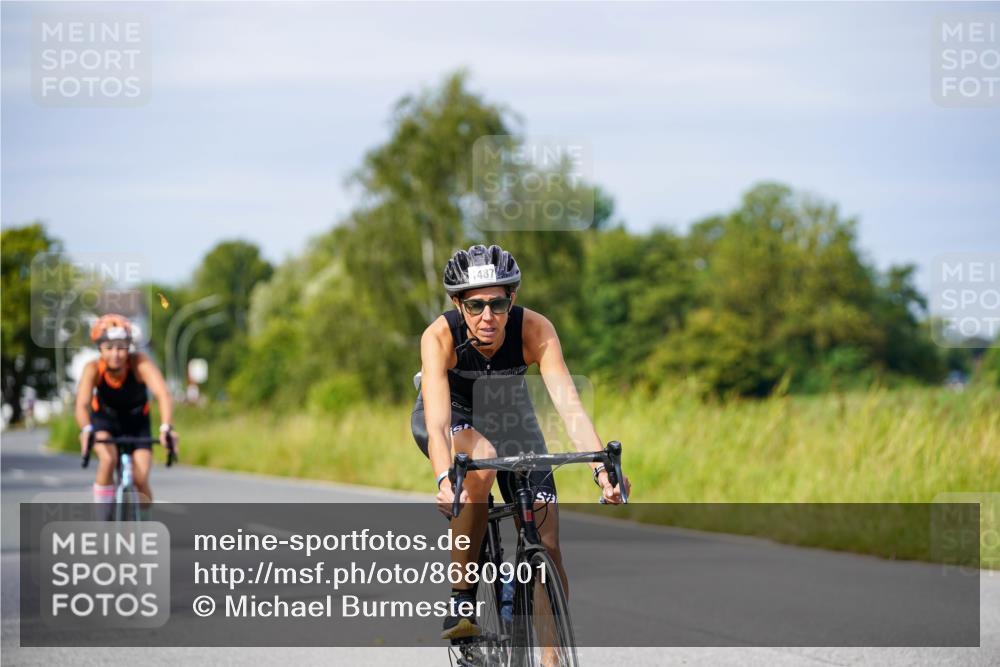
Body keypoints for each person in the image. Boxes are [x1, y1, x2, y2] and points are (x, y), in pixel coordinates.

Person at [411, 244, 631, 641]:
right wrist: (445, 479)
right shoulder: (439, 336)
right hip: (456, 415)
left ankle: (550, 653)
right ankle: (462, 600)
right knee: (482, 463)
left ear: (512, 299)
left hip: (511, 415)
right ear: (458, 304)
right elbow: (439, 423)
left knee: (547, 538)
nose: (488, 316)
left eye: (497, 303)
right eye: (475, 305)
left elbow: (570, 408)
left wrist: (602, 471)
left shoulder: (535, 329)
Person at [75, 314, 178, 520]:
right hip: (105, 421)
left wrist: (166, 426)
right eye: (109, 347)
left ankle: (145, 524)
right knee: (108, 459)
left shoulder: (140, 364)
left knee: (140, 478)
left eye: (122, 347)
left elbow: (163, 394)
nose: (116, 354)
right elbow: (81, 405)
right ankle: (103, 522)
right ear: (100, 348)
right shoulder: (93, 369)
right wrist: (86, 429)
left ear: (129, 347)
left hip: (137, 422)